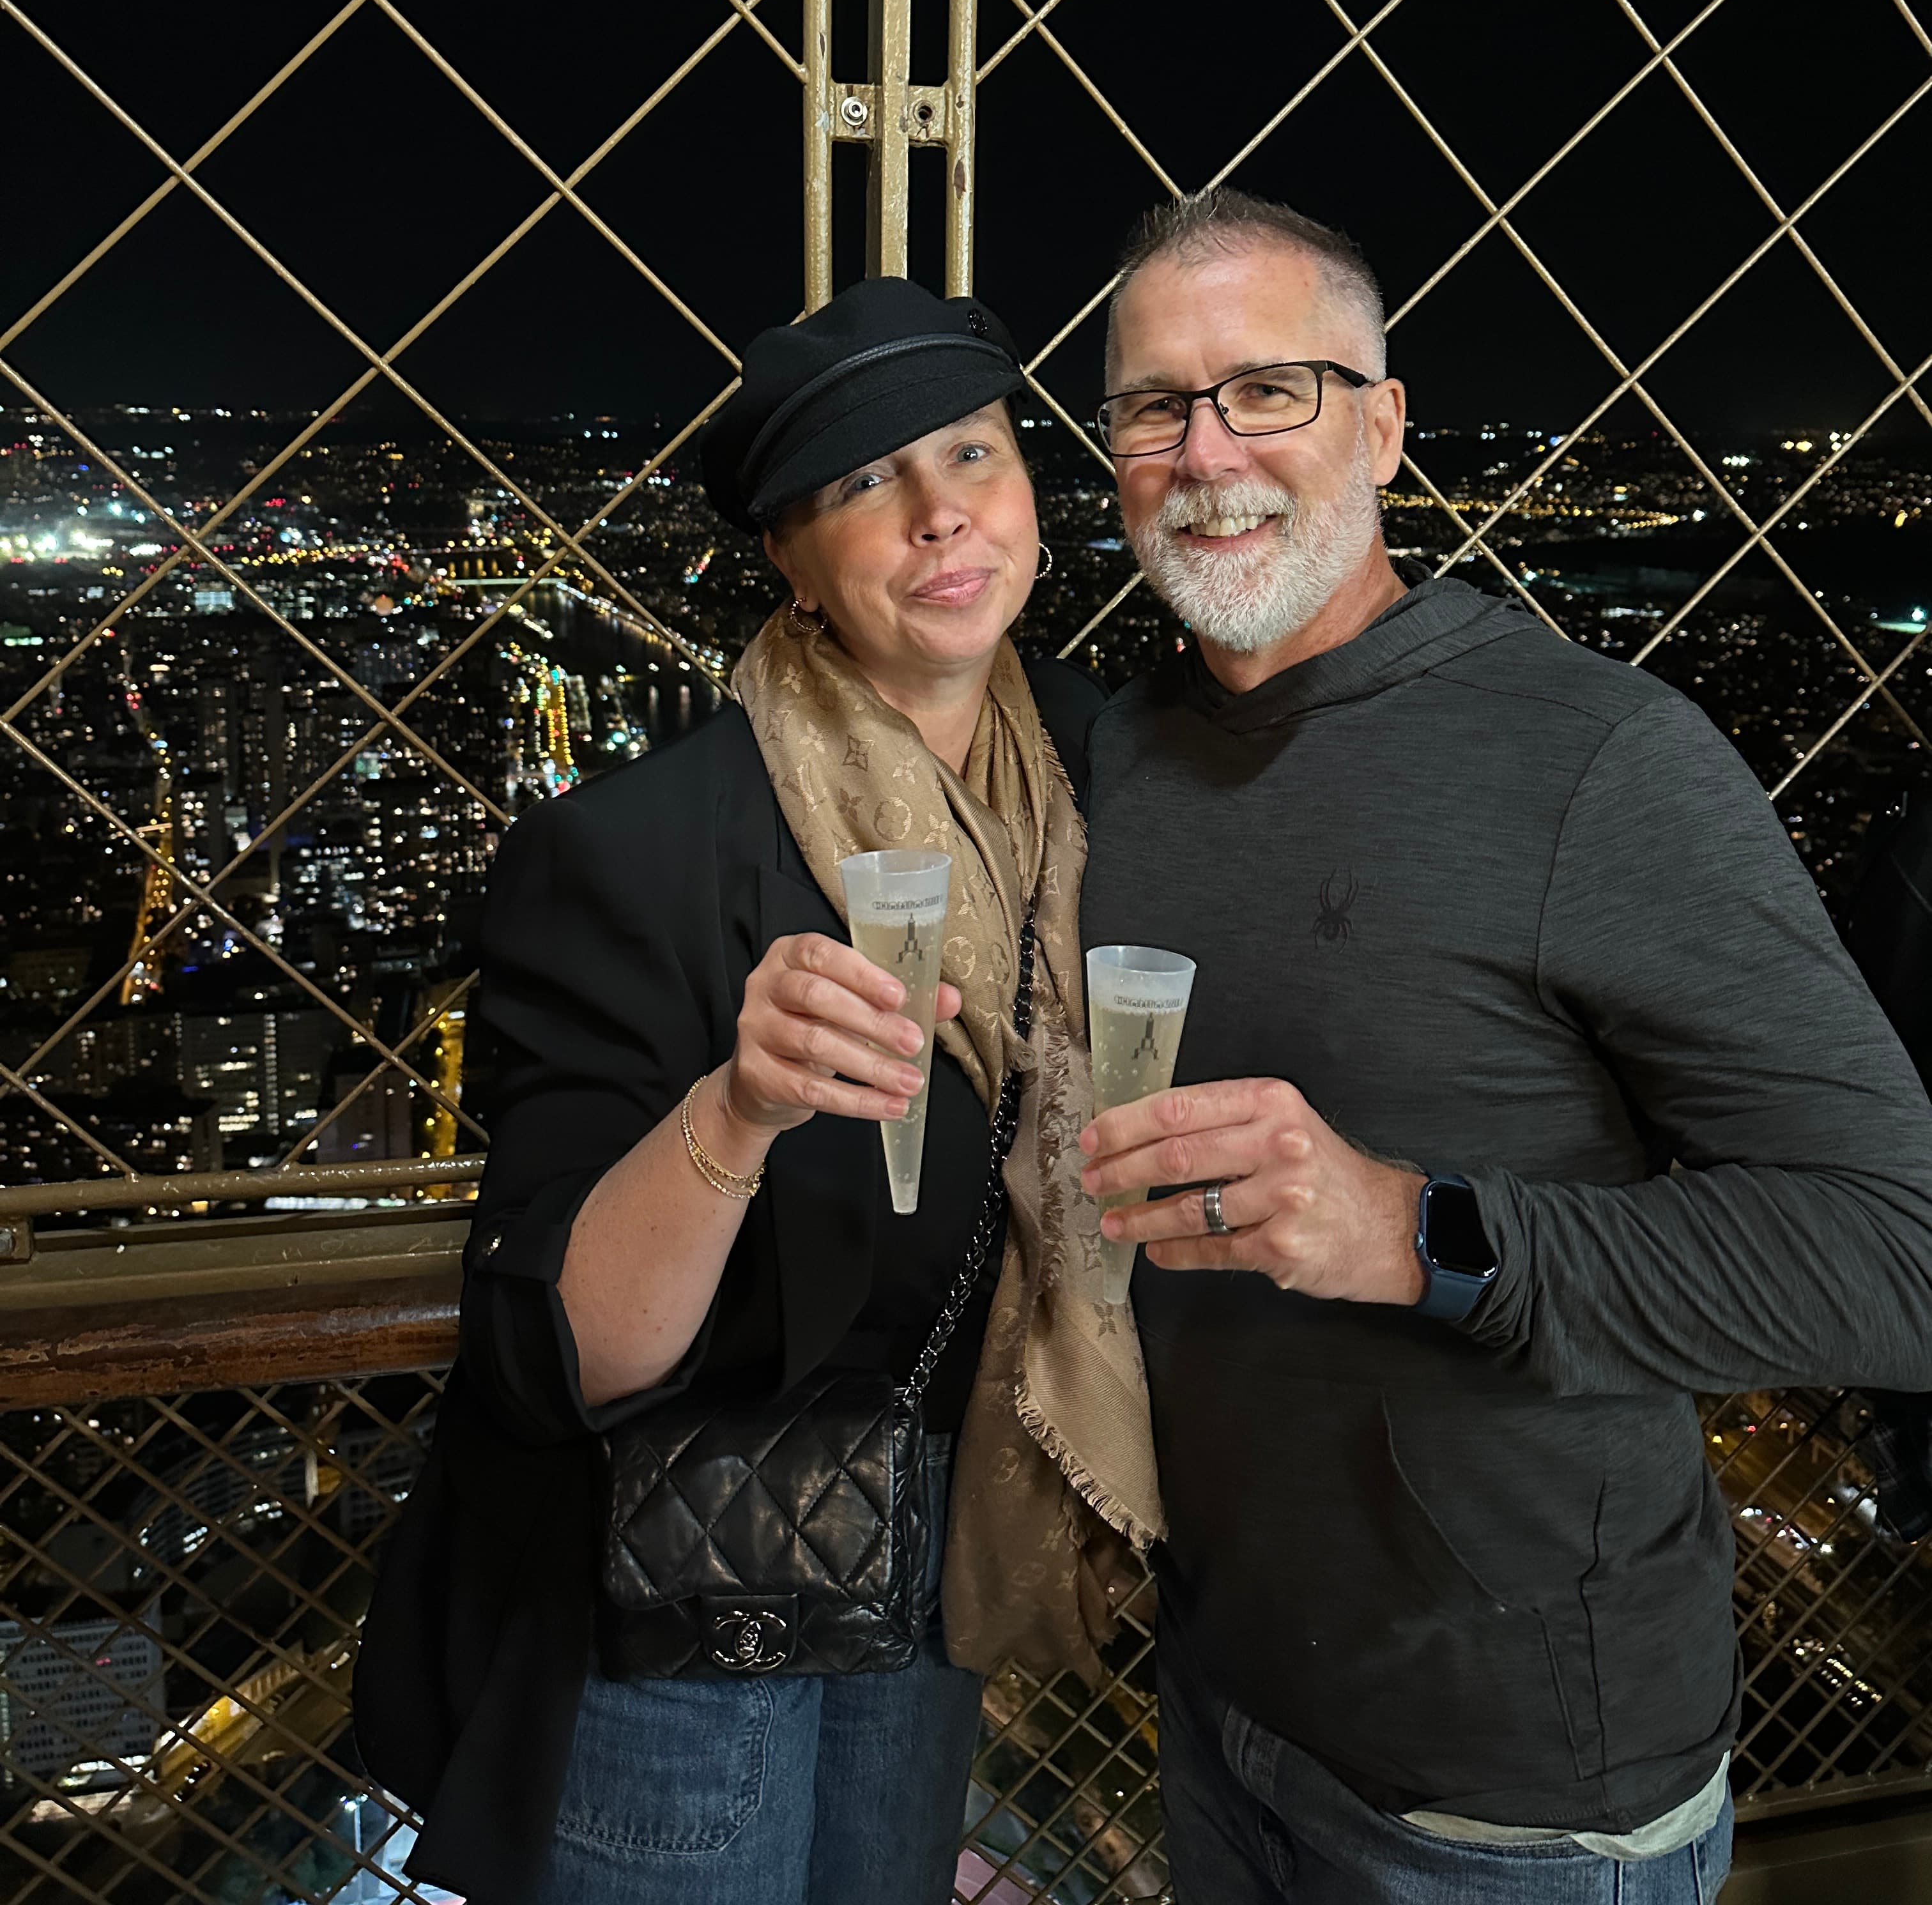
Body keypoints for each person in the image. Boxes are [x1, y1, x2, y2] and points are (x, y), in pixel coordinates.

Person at [1075, 186, 1932, 1903]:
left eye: (1271, 389)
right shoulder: (1120, 756)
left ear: (1385, 425)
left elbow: (1897, 1255)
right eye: (1154, 406)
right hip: (1221, 1701)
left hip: (1516, 1799)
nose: (1206, 448)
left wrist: (1415, 1230)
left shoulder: (1598, 762)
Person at [355, 277, 1160, 1905]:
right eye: (864, 482)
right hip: (671, 1598)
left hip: (928, 1561)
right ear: (786, 557)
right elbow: (556, 1358)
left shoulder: (1109, 778)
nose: (941, 515)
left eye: (973, 454)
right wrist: (738, 1107)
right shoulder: (638, 855)